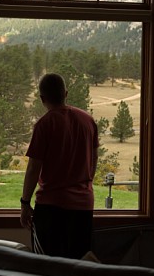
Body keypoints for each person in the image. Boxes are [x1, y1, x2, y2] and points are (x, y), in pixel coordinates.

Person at [19, 73, 98, 258]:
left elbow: (33, 168)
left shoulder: (44, 125)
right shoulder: (88, 121)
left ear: (42, 98)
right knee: (80, 263)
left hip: (51, 207)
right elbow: (93, 160)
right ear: (66, 93)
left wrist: (24, 203)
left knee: (48, 267)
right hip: (83, 206)